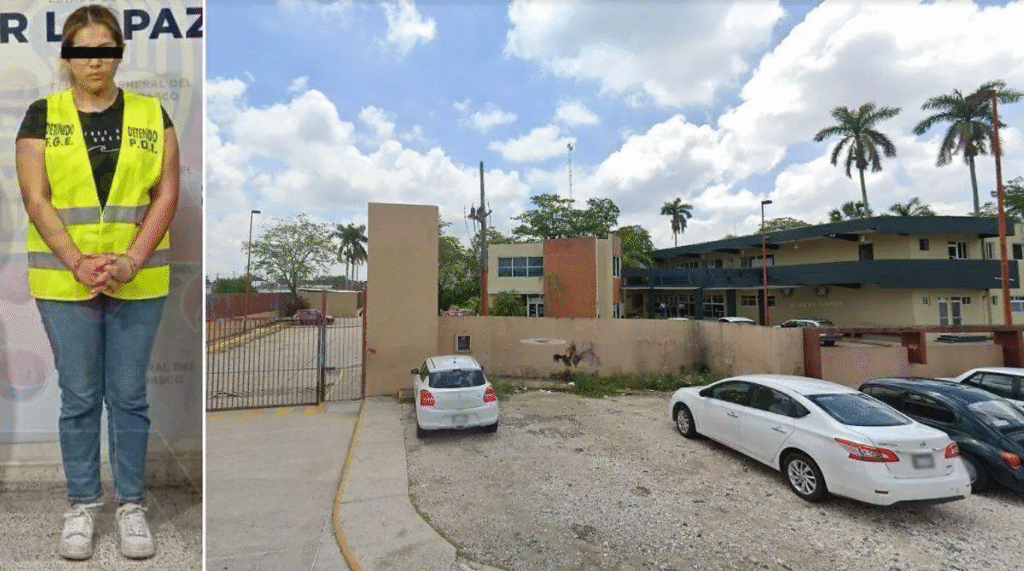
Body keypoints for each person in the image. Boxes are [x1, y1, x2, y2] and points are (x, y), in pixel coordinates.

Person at [14, 4, 178, 561]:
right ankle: (82, 505)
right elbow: (36, 196)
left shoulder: (153, 114)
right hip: (64, 283)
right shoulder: (42, 114)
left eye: (105, 51)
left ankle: (131, 505)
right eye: (82, 52)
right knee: (80, 397)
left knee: (128, 396)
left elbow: (166, 195)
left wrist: (131, 260)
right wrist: (76, 261)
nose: (94, 62)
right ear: (66, 57)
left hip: (138, 280)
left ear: (119, 54)